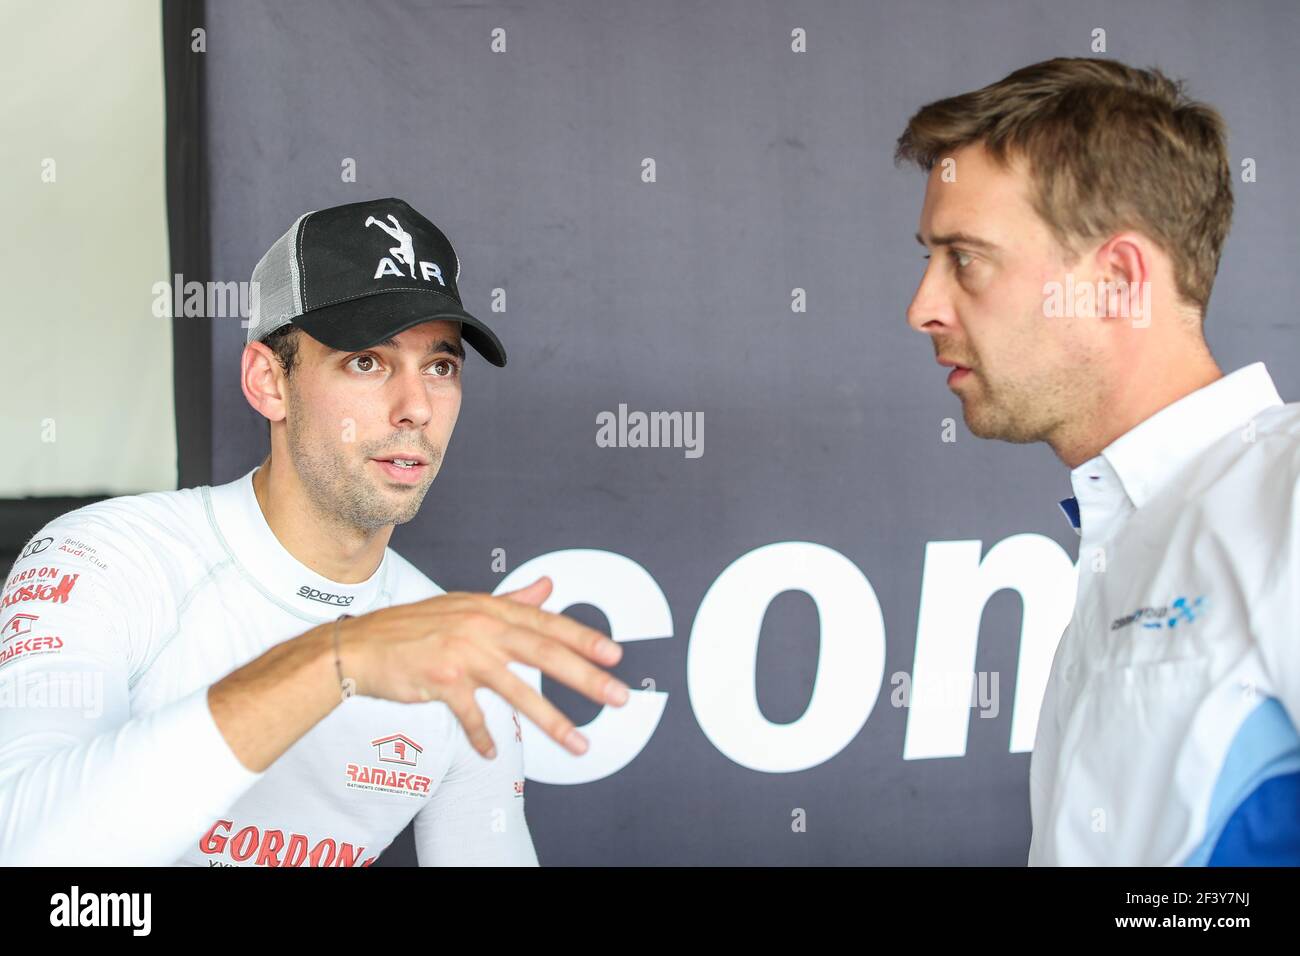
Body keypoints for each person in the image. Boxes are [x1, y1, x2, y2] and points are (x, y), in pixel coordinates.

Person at [0, 196, 629, 866]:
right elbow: (26, 850)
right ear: (268, 381)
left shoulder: (445, 647)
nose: (416, 407)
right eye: (367, 361)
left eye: (440, 366)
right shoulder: (106, 558)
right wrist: (338, 658)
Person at [895, 58, 1300, 864]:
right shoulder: (1127, 534)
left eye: (966, 258)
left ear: (1116, 279)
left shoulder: (1284, 492)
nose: (923, 308)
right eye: (929, 259)